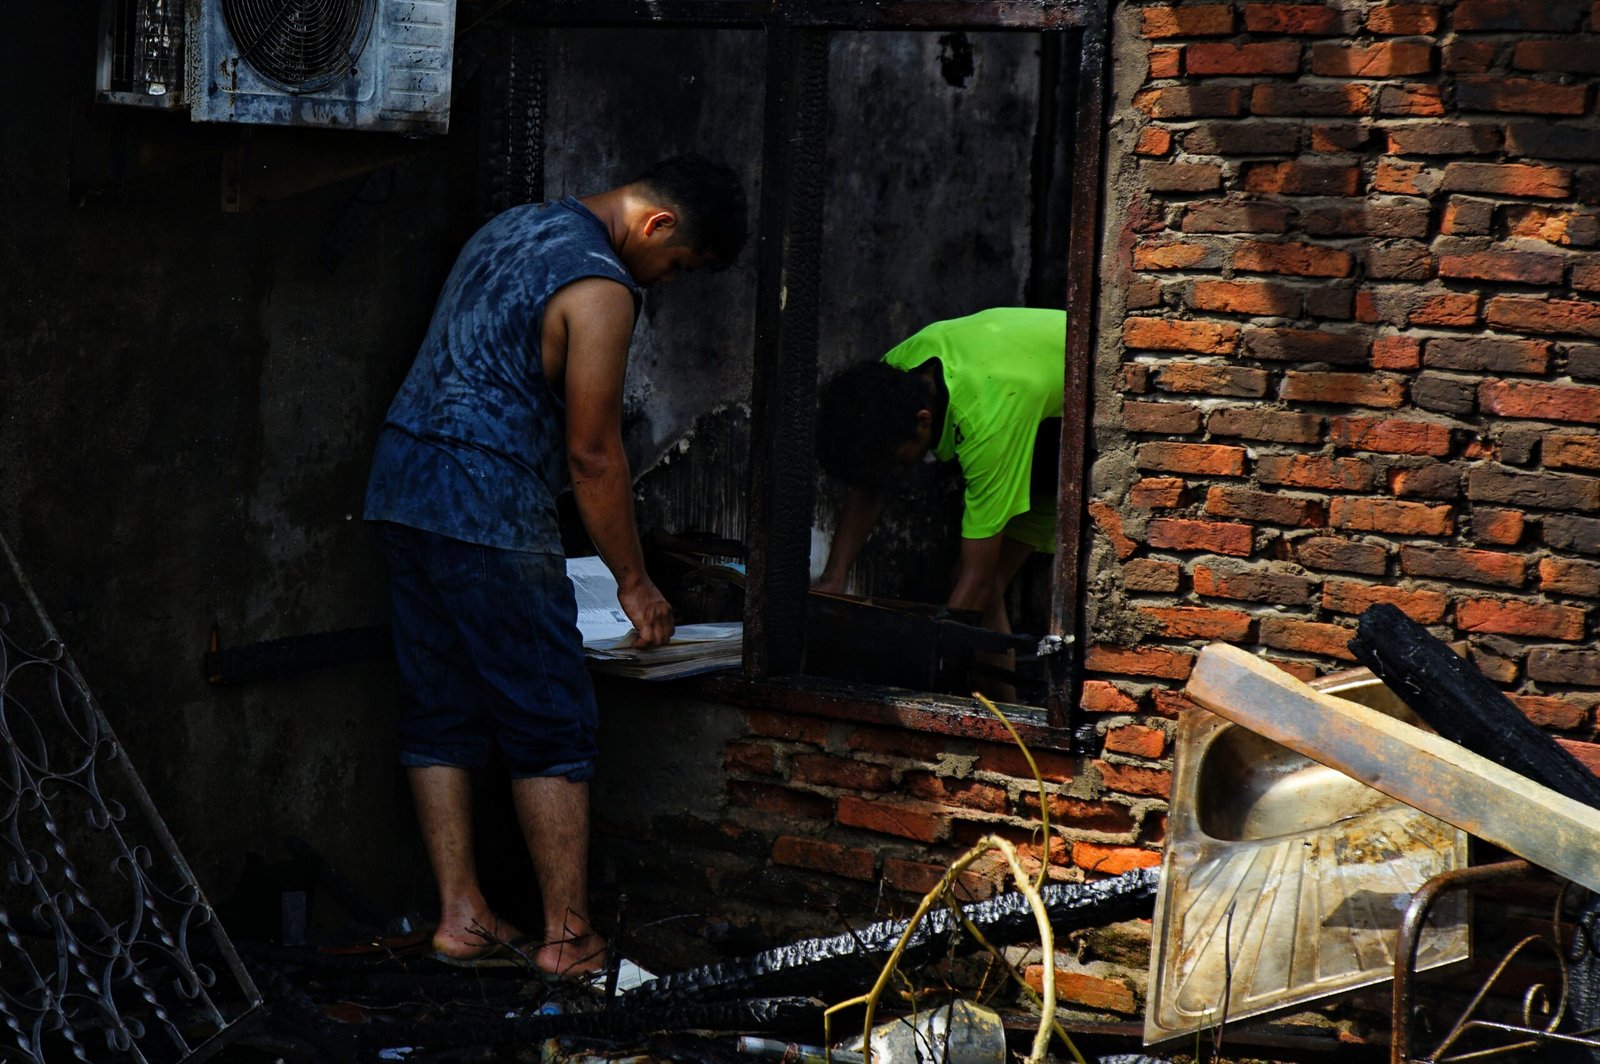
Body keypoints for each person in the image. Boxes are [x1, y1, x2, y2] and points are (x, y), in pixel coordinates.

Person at [363, 156, 747, 978]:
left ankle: (462, 917)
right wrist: (635, 582)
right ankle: (569, 941)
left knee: (439, 707)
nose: (665, 283)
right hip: (485, 503)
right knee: (550, 719)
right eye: (676, 267)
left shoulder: (513, 226)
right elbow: (594, 453)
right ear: (658, 226)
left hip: (400, 486)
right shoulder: (603, 286)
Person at [814, 307, 1066, 663]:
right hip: (1028, 394)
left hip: (1071, 428)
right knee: (980, 593)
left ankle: (1000, 710)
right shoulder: (894, 375)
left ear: (923, 421)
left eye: (898, 462)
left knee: (978, 586)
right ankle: (1000, 708)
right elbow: (869, 483)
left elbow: (976, 579)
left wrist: (924, 667)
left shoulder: (986, 424)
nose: (896, 473)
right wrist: (832, 582)